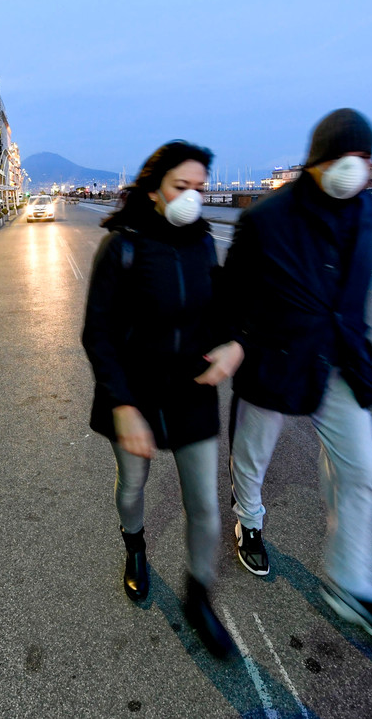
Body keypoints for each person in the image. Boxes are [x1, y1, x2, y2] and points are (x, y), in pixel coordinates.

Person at [221, 109, 372, 654]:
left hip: (338, 361)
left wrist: (356, 341)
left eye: (363, 158)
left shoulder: (368, 212)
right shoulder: (267, 219)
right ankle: (249, 522)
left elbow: (352, 293)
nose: (354, 168)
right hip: (274, 358)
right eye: (342, 156)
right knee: (252, 457)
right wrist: (235, 340)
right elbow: (232, 293)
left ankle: (351, 585)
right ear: (316, 160)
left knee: (360, 469)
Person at [81, 141, 244, 659]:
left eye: (200, 187)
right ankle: (135, 547)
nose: (192, 196)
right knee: (132, 486)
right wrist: (123, 406)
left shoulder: (203, 244)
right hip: (135, 395)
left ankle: (200, 597)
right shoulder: (122, 247)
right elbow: (97, 334)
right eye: (181, 186)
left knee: (205, 506)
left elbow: (220, 311)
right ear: (154, 190)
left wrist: (234, 343)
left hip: (192, 392)